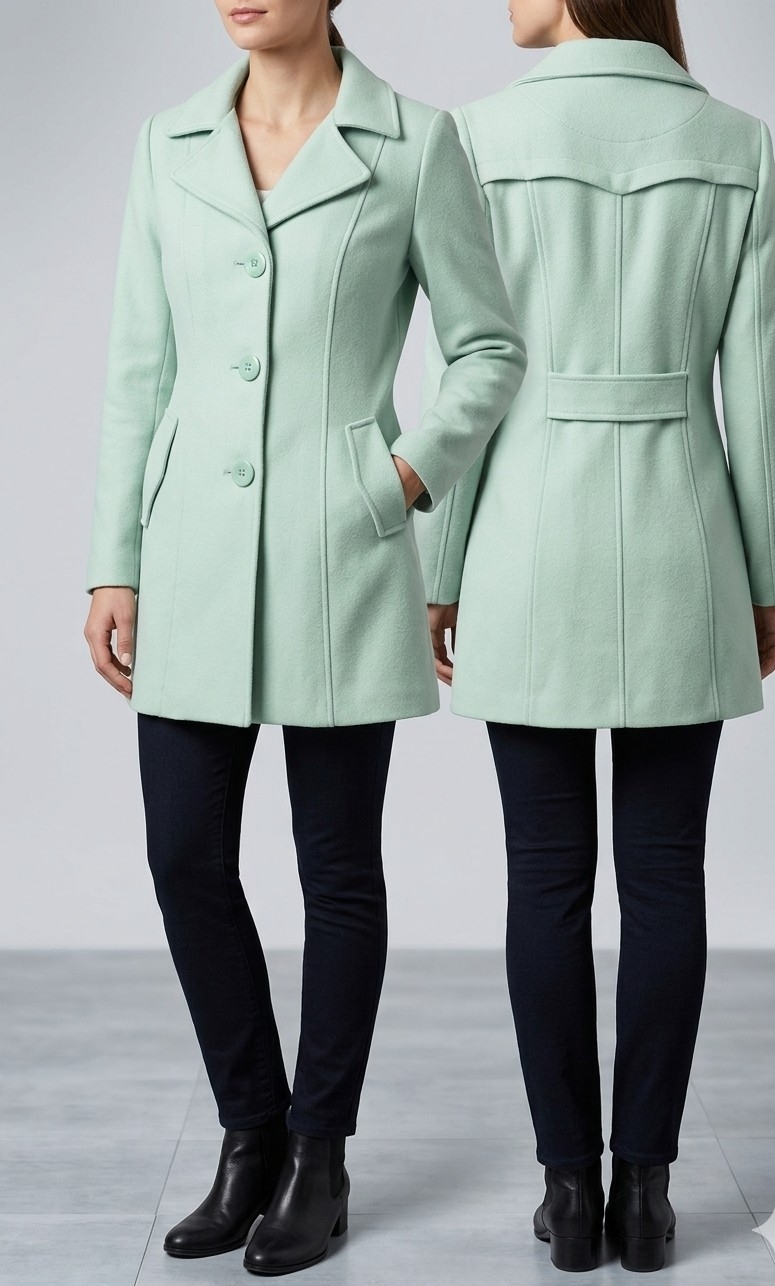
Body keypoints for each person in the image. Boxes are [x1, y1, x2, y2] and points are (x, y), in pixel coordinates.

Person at [82, 0, 526, 1275]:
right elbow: (138, 369)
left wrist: (399, 478)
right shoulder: (169, 142)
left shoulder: (415, 142)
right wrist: (115, 558)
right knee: (184, 854)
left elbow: (488, 349)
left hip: (343, 552)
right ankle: (251, 1133)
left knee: (336, 869)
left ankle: (319, 1156)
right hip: (191, 552)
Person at [416, 0, 775, 1273]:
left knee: (544, 877)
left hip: (525, 537)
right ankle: (647, 1193)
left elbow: (469, 376)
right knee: (667, 874)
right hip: (688, 535)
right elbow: (760, 384)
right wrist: (767, 570)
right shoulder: (734, 142)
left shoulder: (476, 141)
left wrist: (439, 567)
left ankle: (568, 1193)